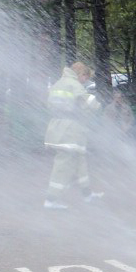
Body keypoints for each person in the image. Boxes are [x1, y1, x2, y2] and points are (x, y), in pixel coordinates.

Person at [44, 61, 101, 210]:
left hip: (59, 127)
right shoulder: (74, 84)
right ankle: (51, 200)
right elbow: (90, 103)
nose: (85, 81)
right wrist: (97, 104)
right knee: (63, 164)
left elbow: (50, 105)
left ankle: (87, 195)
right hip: (68, 130)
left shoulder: (58, 83)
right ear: (81, 74)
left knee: (80, 161)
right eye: (85, 77)